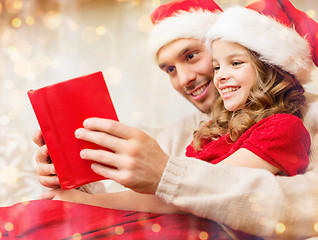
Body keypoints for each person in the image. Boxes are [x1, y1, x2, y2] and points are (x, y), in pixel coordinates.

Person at [33, 0, 318, 238]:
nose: (184, 79)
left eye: (192, 56)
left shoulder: (293, 124)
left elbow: (294, 205)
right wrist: (73, 175)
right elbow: (134, 201)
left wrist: (92, 201)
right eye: (169, 69)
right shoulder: (194, 133)